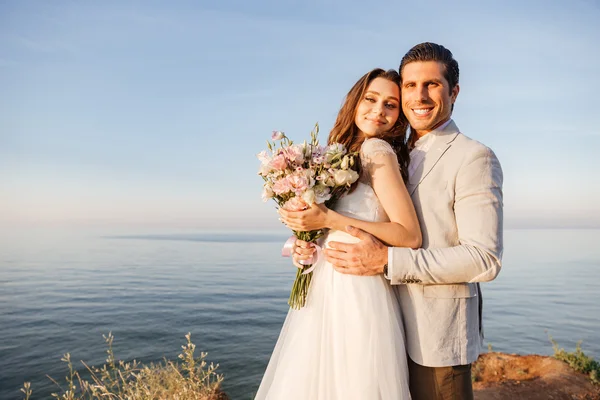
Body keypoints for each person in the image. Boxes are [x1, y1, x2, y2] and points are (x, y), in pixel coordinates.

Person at [289, 42, 504, 400]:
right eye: (410, 85)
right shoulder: (394, 150)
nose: (419, 96)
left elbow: (484, 259)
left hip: (433, 338)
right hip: (378, 322)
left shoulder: (473, 157)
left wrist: (387, 260)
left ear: (454, 92)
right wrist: (310, 243)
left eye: (432, 85)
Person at [255, 68, 421, 399]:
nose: (379, 111)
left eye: (390, 105)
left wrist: (330, 220)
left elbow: (408, 235)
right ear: (354, 101)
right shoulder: (340, 155)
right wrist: (307, 246)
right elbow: (330, 222)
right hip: (325, 282)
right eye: (371, 99)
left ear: (400, 116)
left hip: (357, 288)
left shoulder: (377, 151)